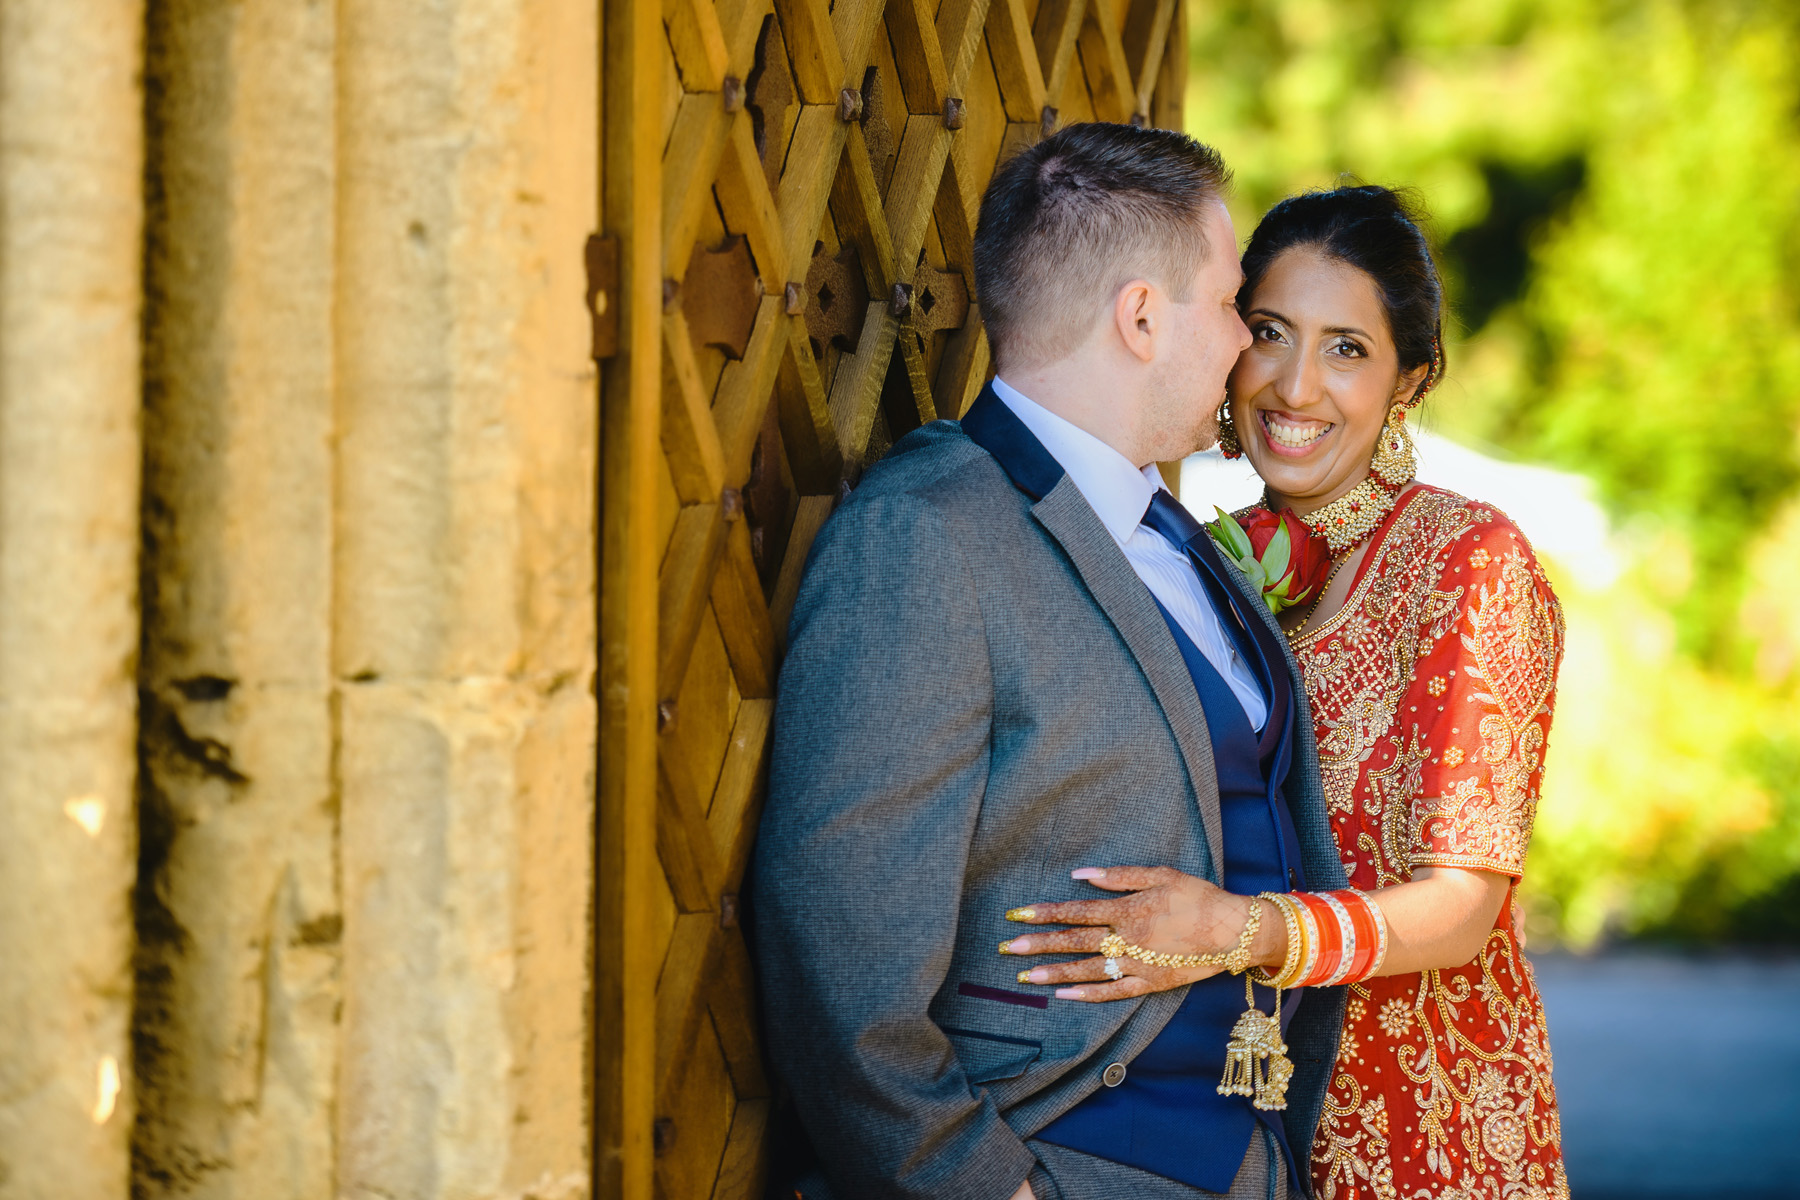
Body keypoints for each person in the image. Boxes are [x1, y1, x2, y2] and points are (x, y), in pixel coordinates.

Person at [753, 122, 1348, 1200]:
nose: (1241, 347)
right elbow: (837, 952)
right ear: (1139, 317)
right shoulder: (926, 536)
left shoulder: (1168, 530)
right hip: (1063, 1159)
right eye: (1227, 305)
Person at [1002, 186, 1570, 1200]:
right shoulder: (1185, 561)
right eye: (1269, 331)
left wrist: (1242, 933)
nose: (1296, 385)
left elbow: (1465, 905)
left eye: (1347, 348)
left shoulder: (1469, 564)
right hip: (1216, 1123)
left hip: (1415, 1116)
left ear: (1410, 380)